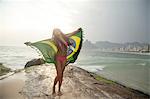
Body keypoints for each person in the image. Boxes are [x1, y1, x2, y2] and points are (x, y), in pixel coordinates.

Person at [52, 28, 81, 96]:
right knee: (59, 74)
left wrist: (77, 31)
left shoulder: (65, 37)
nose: (57, 32)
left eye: (58, 30)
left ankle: (59, 89)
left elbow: (72, 34)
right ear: (54, 33)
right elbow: (44, 43)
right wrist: (31, 43)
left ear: (60, 31)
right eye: (55, 31)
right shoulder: (54, 39)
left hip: (64, 58)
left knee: (61, 75)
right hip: (58, 58)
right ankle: (53, 88)